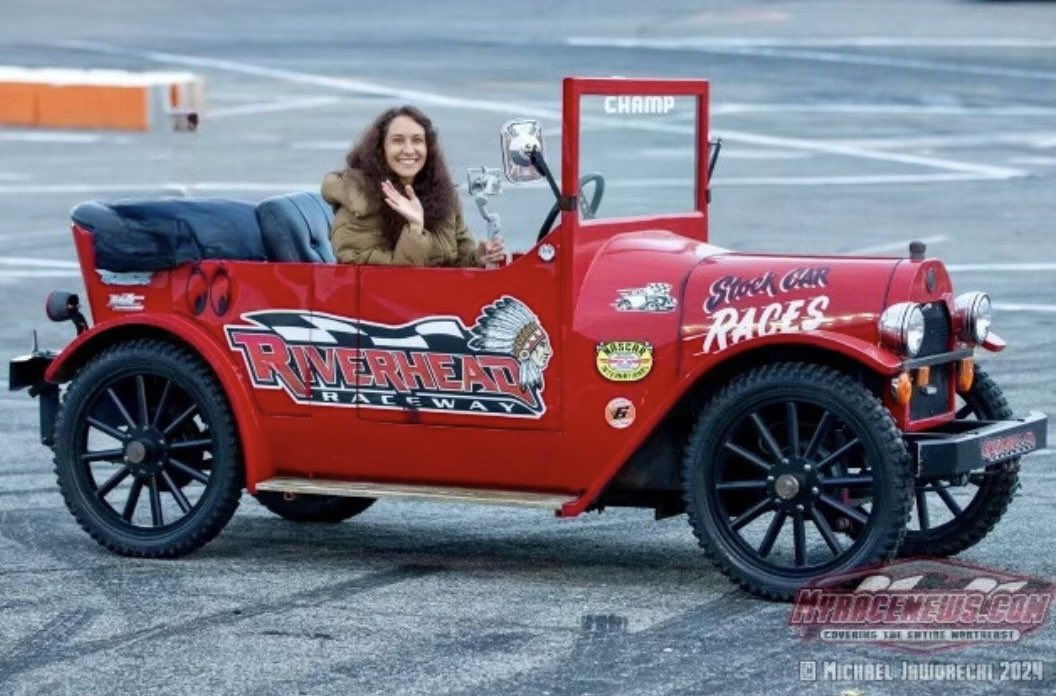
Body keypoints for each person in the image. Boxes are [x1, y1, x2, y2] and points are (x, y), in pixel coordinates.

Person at [321, 106, 505, 267]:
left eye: (417, 140)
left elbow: (455, 259)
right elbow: (390, 282)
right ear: (380, 149)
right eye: (398, 140)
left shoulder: (441, 194)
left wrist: (478, 258)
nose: (409, 150)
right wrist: (415, 228)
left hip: (441, 300)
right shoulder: (359, 202)